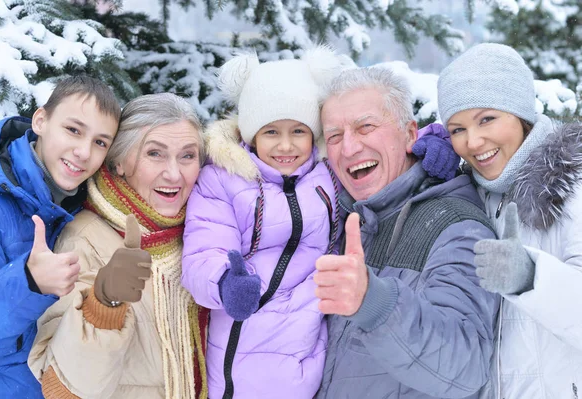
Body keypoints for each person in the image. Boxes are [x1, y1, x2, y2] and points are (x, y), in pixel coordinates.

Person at [182, 46, 460, 399]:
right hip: (239, 357)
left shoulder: (327, 175)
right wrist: (223, 281)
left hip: (305, 358)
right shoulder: (223, 179)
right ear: (251, 134)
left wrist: (429, 143)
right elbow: (204, 246)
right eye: (271, 132)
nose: (285, 145)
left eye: (298, 131)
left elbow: (378, 151)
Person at [314, 67, 500, 398]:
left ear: (410, 134)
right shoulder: (334, 222)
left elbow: (466, 365)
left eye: (366, 127)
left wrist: (374, 302)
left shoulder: (455, 224)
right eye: (334, 137)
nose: (349, 148)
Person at [28, 93, 208, 399]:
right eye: (155, 154)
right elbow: (62, 390)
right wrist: (103, 304)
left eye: (188, 156)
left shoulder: (207, 236)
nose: (175, 173)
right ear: (120, 162)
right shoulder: (85, 237)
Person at [437, 43, 582, 398]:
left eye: (487, 119)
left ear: (520, 114)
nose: (473, 141)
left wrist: (531, 277)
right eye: (456, 129)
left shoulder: (571, 185)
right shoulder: (472, 196)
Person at [0, 75, 120, 399]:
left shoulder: (85, 206)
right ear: (41, 120)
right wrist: (29, 283)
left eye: (100, 142)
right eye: (73, 130)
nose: (84, 151)